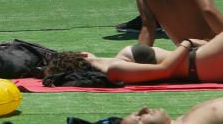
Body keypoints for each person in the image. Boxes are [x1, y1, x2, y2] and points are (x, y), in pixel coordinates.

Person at [84, 29, 223, 85]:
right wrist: (187, 43)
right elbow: (164, 70)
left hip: (200, 61)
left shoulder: (114, 65)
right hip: (199, 64)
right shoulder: (115, 69)